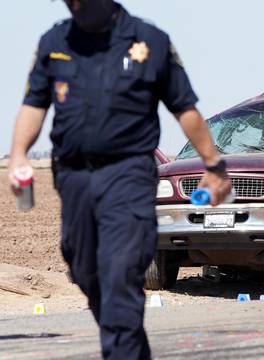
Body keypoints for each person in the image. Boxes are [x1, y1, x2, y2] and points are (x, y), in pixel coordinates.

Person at [7, 1, 231, 359]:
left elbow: (184, 108)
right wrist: (19, 153)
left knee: (119, 277)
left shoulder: (149, 41)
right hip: (74, 177)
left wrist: (213, 165)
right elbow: (34, 105)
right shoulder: (54, 42)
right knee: (84, 269)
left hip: (128, 176)